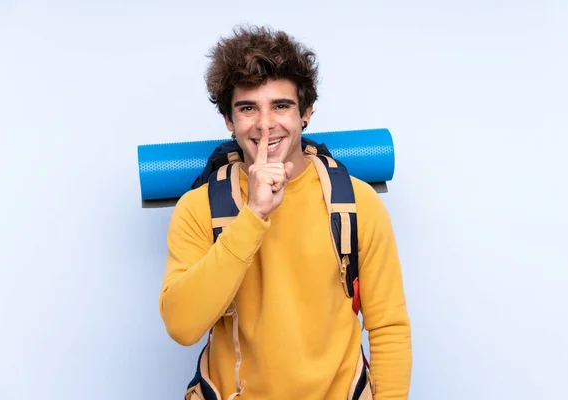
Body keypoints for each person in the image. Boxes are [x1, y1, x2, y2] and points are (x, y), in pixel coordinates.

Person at [159, 25, 412, 400]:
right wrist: (254, 215)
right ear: (229, 121)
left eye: (281, 105)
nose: (265, 124)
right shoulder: (197, 208)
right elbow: (182, 326)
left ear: (306, 112)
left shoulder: (357, 203)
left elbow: (388, 326)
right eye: (248, 108)